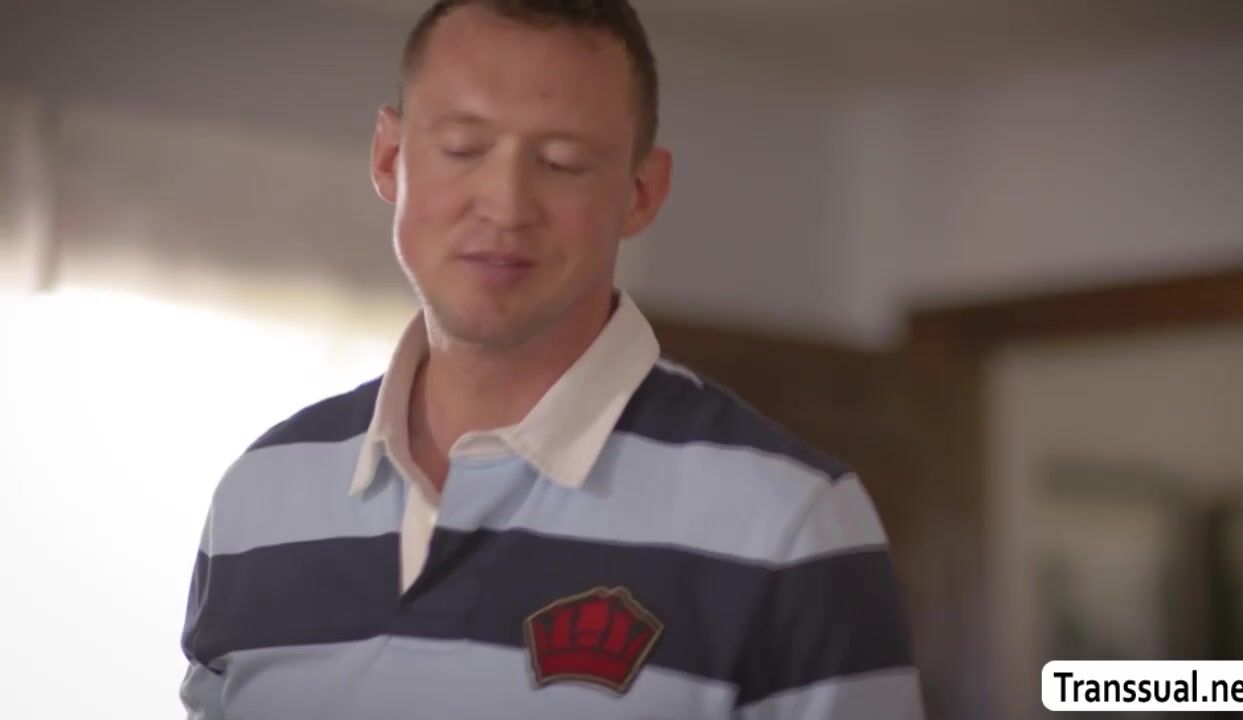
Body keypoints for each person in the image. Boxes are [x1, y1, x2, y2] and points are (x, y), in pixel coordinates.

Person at [179, 1, 924, 718]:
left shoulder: (789, 520)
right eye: (463, 149)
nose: (506, 206)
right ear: (389, 157)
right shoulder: (259, 498)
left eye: (563, 162)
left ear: (641, 193)